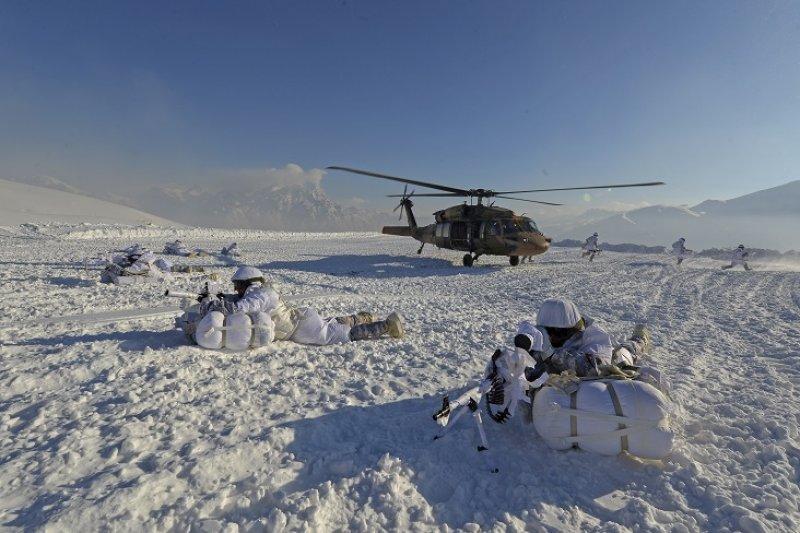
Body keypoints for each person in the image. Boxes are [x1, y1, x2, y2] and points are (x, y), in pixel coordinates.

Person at [202, 266, 404, 345]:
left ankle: (387, 326)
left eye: (237, 286)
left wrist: (213, 305)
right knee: (331, 324)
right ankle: (361, 317)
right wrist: (221, 297)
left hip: (300, 328)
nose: (236, 290)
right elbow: (241, 301)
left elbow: (240, 308)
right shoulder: (257, 292)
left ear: (247, 283)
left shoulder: (261, 294)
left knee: (339, 336)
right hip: (300, 321)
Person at [526, 298, 650, 377]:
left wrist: (553, 356)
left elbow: (595, 369)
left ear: (572, 329)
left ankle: (640, 339)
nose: (552, 337)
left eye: (558, 332)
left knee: (624, 352)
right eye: (548, 332)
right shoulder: (539, 338)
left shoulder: (594, 335)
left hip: (609, 358)